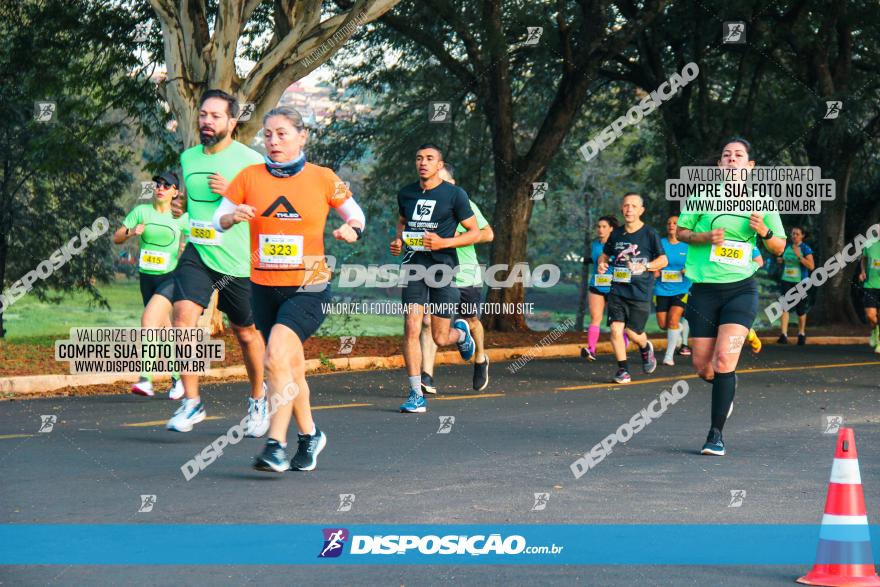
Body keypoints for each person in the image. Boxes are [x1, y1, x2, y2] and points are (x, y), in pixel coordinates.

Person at [216, 106, 365, 472]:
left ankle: (275, 445)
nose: (273, 141)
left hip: (309, 284)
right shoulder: (249, 177)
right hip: (264, 288)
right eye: (267, 134)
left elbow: (356, 214)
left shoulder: (323, 178)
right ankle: (310, 434)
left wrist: (352, 231)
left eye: (282, 133)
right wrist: (232, 216)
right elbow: (216, 220)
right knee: (290, 367)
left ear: (302, 136)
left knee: (275, 357)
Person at [166, 89, 267, 435]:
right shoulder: (189, 158)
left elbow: (265, 212)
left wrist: (235, 192)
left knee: (246, 334)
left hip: (236, 258)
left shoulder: (251, 161)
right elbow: (189, 205)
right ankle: (192, 402)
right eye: (203, 115)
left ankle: (258, 399)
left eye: (215, 116)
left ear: (232, 121)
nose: (206, 122)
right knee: (183, 319)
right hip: (199, 251)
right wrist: (180, 209)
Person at [676, 137, 786, 456]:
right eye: (726, 155)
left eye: (738, 155)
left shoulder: (761, 199)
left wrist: (764, 231)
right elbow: (681, 233)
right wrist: (703, 237)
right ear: (720, 164)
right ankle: (727, 388)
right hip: (703, 291)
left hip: (741, 289)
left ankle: (716, 434)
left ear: (749, 166)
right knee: (703, 367)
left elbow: (778, 246)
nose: (732, 159)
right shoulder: (702, 195)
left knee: (724, 360)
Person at [390, 144, 480, 413]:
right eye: (419, 158)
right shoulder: (406, 192)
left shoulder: (455, 195)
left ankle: (461, 334)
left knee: (441, 338)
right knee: (412, 327)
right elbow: (402, 221)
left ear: (440, 165)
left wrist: (444, 243)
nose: (423, 163)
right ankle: (416, 393)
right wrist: (398, 241)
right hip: (414, 268)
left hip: (443, 268)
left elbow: (475, 232)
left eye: (430, 159)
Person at [113, 171, 189, 397]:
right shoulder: (141, 212)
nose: (160, 188)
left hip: (169, 277)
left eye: (167, 186)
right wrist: (130, 232)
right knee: (164, 329)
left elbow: (200, 240)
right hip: (147, 278)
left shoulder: (181, 218)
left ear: (175, 191)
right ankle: (178, 379)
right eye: (158, 184)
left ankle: (146, 378)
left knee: (149, 321)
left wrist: (187, 251)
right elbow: (116, 237)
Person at [419, 165, 493, 393]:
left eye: (443, 181)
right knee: (427, 322)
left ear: (453, 184)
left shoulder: (466, 206)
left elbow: (488, 234)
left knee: (471, 320)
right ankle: (427, 376)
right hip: (436, 273)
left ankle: (480, 357)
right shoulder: (427, 207)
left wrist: (456, 236)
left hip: (464, 274)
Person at [596, 193, 667, 384]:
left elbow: (663, 260)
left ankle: (645, 347)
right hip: (618, 290)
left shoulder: (650, 233)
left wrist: (644, 266)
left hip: (640, 291)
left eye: (634, 206)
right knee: (615, 329)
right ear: (622, 208)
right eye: (626, 205)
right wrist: (602, 264)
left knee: (632, 332)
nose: (629, 209)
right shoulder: (617, 234)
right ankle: (623, 370)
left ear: (641, 210)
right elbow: (605, 255)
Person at [653, 214, 691, 366]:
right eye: (669, 223)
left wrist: (687, 270)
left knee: (673, 319)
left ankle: (669, 356)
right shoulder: (660, 244)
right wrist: (654, 270)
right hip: (661, 289)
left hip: (682, 289)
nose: (671, 225)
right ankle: (677, 329)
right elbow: (654, 262)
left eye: (675, 223)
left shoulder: (687, 245)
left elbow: (694, 264)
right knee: (664, 325)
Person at [580, 216, 619, 362]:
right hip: (597, 285)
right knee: (595, 318)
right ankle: (591, 350)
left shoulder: (617, 244)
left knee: (617, 323)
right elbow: (596, 260)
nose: (600, 229)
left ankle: (623, 344)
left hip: (615, 287)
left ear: (611, 229)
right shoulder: (596, 244)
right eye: (598, 226)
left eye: (604, 226)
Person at [775, 226, 815, 345]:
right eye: (793, 234)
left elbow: (811, 266)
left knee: (800, 309)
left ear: (802, 235)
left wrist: (799, 256)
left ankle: (801, 334)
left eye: (797, 234)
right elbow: (785, 259)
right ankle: (783, 335)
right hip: (786, 280)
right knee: (784, 307)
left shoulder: (805, 248)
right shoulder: (787, 247)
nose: (794, 236)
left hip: (801, 282)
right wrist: (781, 260)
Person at [859, 236, 880, 353]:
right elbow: (864, 259)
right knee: (871, 315)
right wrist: (862, 271)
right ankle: (874, 330)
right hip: (870, 284)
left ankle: (879, 342)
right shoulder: (869, 243)